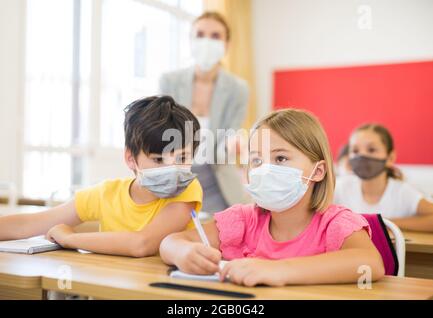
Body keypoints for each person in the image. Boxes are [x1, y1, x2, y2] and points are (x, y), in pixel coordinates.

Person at [160, 109, 384, 287]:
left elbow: (371, 263)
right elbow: (170, 242)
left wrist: (280, 270)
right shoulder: (242, 220)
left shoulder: (334, 224)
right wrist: (184, 253)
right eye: (256, 161)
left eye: (280, 158)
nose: (264, 170)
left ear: (318, 171)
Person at [0, 96, 203, 257]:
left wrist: (71, 239)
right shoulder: (107, 194)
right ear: (130, 158)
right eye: (159, 160)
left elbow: (142, 244)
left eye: (182, 157)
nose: (173, 168)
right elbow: (28, 225)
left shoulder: (187, 191)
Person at [159, 11, 250, 214]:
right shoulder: (169, 81)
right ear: (190, 41)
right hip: (176, 183)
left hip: (219, 185)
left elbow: (232, 132)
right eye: (200, 34)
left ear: (227, 45)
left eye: (215, 36)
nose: (206, 41)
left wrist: (235, 143)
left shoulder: (238, 89)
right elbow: (161, 132)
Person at [334, 124, 433, 232]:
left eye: (371, 150)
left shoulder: (401, 192)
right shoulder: (339, 188)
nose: (361, 156)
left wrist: (385, 223)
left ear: (390, 158)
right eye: (355, 151)